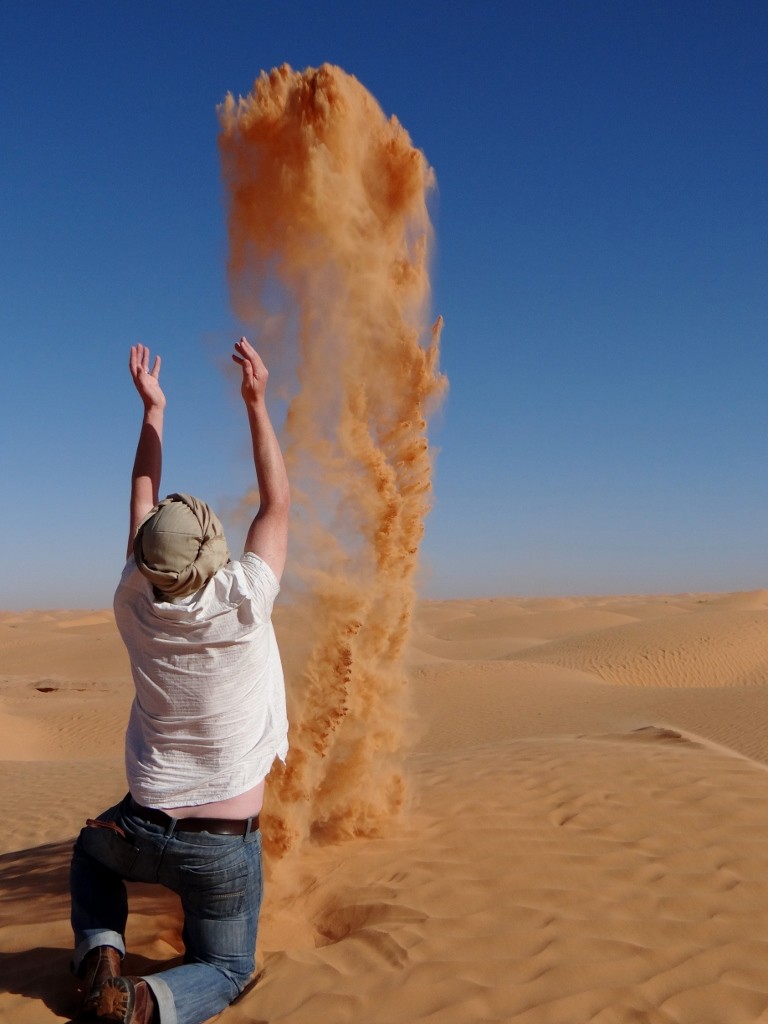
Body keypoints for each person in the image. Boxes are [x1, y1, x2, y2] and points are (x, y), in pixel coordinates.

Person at [69, 338, 290, 1024]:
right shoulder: (246, 598)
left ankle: (101, 952)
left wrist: (153, 411)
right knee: (227, 968)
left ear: (145, 557)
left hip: (142, 827)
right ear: (213, 552)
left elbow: (142, 496)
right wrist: (256, 401)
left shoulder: (132, 597)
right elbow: (277, 501)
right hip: (222, 846)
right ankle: (142, 1002)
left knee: (93, 854)